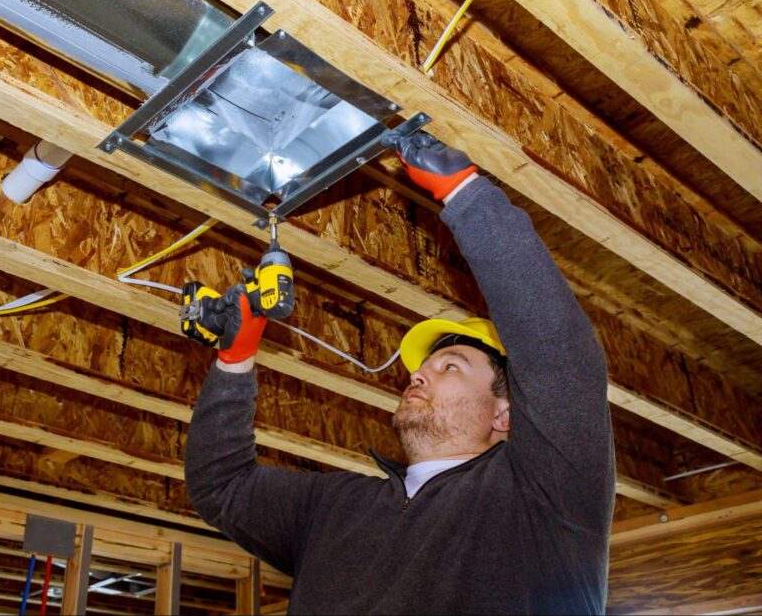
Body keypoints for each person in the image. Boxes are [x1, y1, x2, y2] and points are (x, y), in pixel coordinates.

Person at [185, 131, 615, 614]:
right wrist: (234, 361)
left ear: (504, 415)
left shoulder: (542, 499)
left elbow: (561, 359)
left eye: (450, 365)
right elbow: (222, 489)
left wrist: (467, 196)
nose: (418, 376)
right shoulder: (333, 507)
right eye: (422, 367)